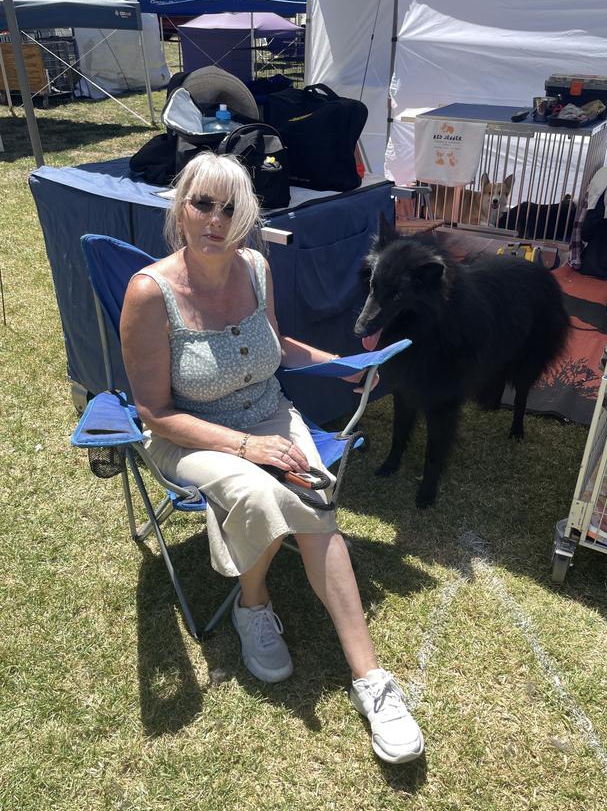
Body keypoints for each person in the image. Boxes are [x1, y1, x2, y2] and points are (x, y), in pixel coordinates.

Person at [120, 151, 424, 764]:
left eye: (230, 208)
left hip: (270, 413)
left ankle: (371, 681)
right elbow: (152, 410)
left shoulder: (256, 267)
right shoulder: (149, 293)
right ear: (181, 206)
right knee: (261, 491)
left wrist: (334, 366)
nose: (215, 219)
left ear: (247, 217)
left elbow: (274, 343)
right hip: (190, 434)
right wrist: (246, 448)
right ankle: (252, 608)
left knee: (313, 497)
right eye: (202, 203)